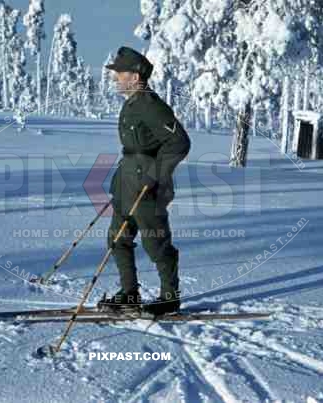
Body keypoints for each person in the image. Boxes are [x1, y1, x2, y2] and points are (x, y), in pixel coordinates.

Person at [97, 46, 191, 316]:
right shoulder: (132, 103)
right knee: (118, 239)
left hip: (147, 186)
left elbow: (179, 142)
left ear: (136, 76)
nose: (116, 78)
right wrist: (121, 179)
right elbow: (133, 148)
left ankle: (169, 298)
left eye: (121, 73)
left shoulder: (151, 106)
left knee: (155, 241)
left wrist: (154, 173)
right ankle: (129, 293)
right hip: (127, 183)